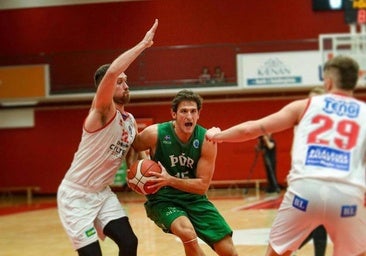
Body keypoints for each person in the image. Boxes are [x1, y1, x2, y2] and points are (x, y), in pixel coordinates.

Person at [206, 55, 366, 256]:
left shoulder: (306, 105)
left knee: (276, 253)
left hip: (305, 191)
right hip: (347, 193)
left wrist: (218, 135)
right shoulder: (364, 113)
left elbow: (251, 130)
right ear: (356, 79)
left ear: (329, 81)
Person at [57, 19, 158, 256]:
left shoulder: (130, 121)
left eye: (126, 81)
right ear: (107, 87)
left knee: (129, 242)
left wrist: (146, 174)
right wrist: (143, 44)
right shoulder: (101, 113)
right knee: (93, 255)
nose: (126, 85)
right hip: (76, 196)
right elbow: (112, 71)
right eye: (120, 82)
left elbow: (138, 159)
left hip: (101, 193)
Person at [132, 89, 238, 256]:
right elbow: (134, 147)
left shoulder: (206, 140)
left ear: (198, 115)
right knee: (188, 234)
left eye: (193, 111)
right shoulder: (155, 134)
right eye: (183, 111)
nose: (189, 116)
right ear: (173, 114)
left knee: (228, 251)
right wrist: (138, 173)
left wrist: (170, 180)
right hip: (163, 199)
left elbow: (202, 186)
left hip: (194, 199)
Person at [295, 86, 328, 256]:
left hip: (329, 178)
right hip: (310, 179)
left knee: (319, 221)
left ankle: (292, 246)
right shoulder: (304, 124)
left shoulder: (332, 124)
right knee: (318, 220)